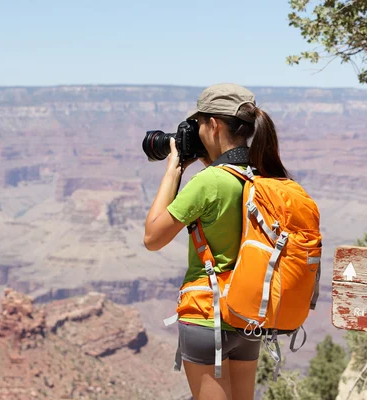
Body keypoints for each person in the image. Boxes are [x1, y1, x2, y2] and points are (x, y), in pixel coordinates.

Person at [143, 83, 290, 400]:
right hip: (247, 318)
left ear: (213, 124)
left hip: (207, 317)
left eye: (197, 124)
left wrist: (174, 169)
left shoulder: (210, 182)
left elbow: (153, 237)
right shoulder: (262, 176)